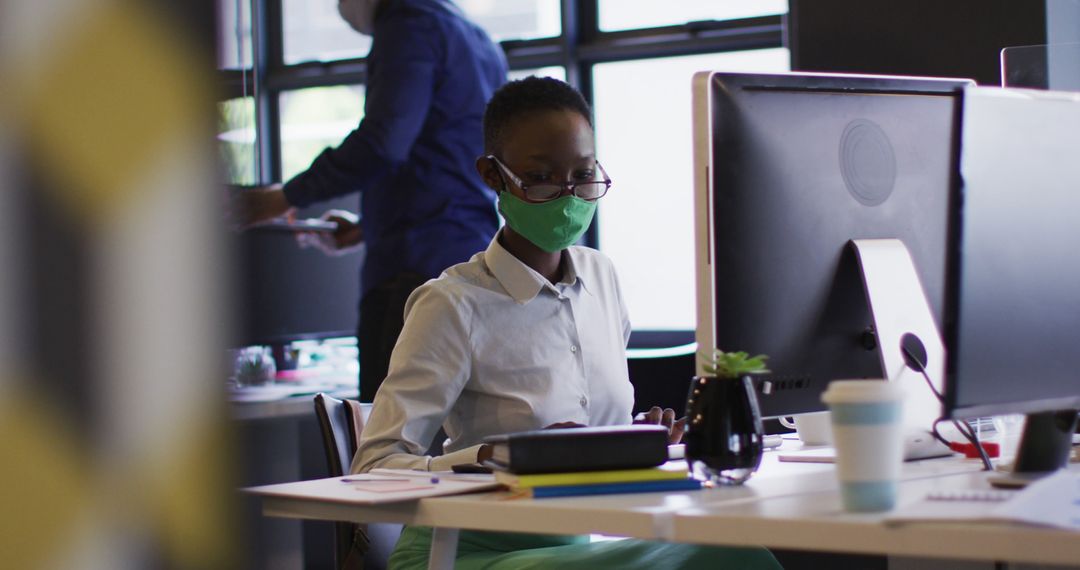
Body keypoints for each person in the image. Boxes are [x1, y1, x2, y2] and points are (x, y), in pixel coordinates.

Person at [353, 76, 781, 569]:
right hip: (461, 554)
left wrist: (632, 440)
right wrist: (496, 456)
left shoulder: (602, 277)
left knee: (737, 555)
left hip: (573, 546)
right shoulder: (451, 304)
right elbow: (374, 466)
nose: (568, 195)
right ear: (493, 175)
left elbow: (587, 449)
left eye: (582, 175)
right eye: (542, 177)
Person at [233, 0, 508, 402]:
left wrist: (284, 197)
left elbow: (384, 143)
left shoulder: (408, 25)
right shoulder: (478, 40)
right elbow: (452, 163)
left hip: (411, 276)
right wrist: (368, 227)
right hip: (469, 263)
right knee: (451, 433)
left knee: (386, 443)